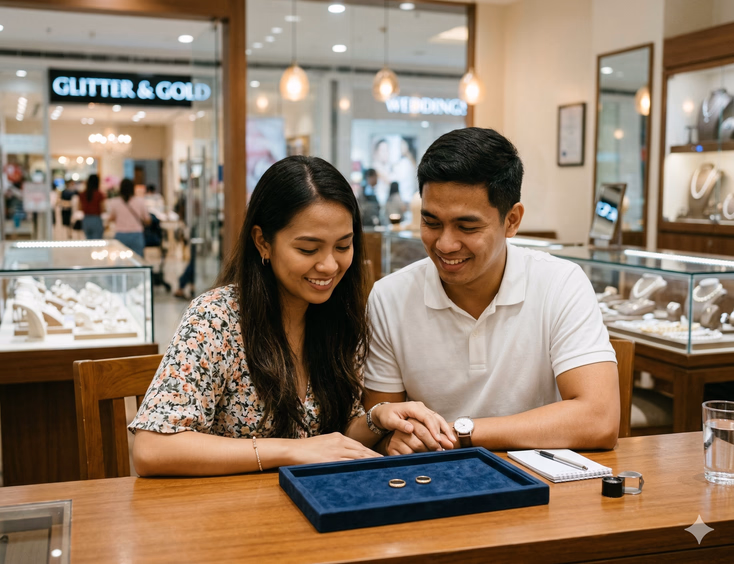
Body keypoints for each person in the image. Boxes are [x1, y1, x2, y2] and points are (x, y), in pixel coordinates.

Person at [129, 156, 453, 476]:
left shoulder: (337, 315)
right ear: (262, 242)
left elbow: (333, 438)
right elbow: (152, 448)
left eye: (343, 246)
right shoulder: (215, 319)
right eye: (308, 249)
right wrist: (292, 451)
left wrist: (378, 420)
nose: (329, 265)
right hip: (229, 515)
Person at [363, 127, 620, 455]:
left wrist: (459, 434)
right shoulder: (390, 297)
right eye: (431, 222)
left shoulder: (560, 283)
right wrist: (393, 439)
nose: (445, 244)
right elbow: (381, 425)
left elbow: (599, 419)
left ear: (511, 220)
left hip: (540, 485)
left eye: (467, 227)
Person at [107, 178, 150, 257]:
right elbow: (147, 220)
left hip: (121, 234)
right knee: (138, 260)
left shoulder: (115, 202)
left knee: (120, 261)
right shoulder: (140, 201)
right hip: (136, 233)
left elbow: (111, 218)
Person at [79, 174, 105, 240]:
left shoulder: (83, 194)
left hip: (86, 220)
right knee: (97, 243)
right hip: (96, 219)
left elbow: (79, 207)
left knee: (88, 242)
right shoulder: (99, 194)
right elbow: (103, 208)